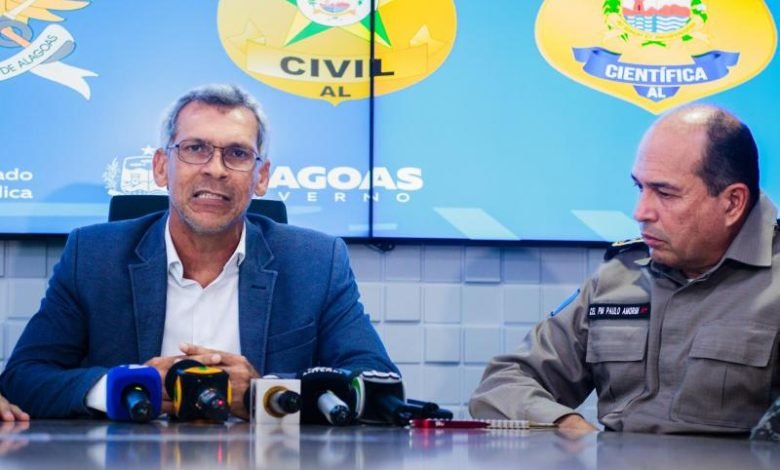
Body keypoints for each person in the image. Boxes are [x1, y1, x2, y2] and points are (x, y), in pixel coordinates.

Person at [0, 84, 397, 419]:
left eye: (237, 154)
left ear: (261, 177)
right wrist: (125, 387)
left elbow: (378, 383)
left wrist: (262, 395)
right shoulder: (92, 256)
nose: (216, 169)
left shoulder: (316, 262)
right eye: (195, 148)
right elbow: (23, 379)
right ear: (161, 167)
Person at [470, 104, 780, 434]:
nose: (640, 211)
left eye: (665, 193)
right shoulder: (617, 278)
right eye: (639, 188)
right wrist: (568, 427)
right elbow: (503, 384)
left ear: (732, 202)